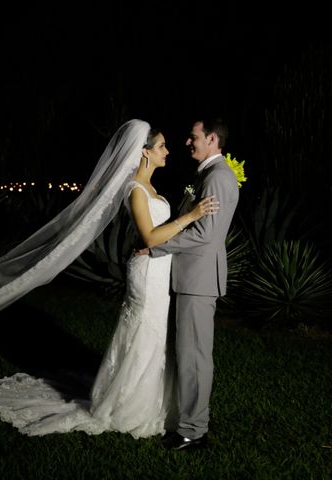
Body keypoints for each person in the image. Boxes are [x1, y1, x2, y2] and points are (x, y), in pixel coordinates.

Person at [0, 126, 219, 438]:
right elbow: (148, 236)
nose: (167, 151)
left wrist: (187, 211)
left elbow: (160, 231)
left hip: (159, 271)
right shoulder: (135, 189)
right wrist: (188, 217)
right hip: (147, 274)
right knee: (144, 332)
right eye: (161, 146)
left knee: (157, 333)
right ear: (145, 152)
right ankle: (129, 404)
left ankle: (156, 399)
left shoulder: (151, 188)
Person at [148, 118, 239, 450]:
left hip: (199, 279)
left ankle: (193, 431)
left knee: (195, 357)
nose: (187, 142)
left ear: (212, 138)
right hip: (193, 278)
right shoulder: (207, 175)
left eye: (193, 137)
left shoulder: (217, 177)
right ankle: (188, 422)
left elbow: (205, 235)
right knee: (189, 354)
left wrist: (156, 246)